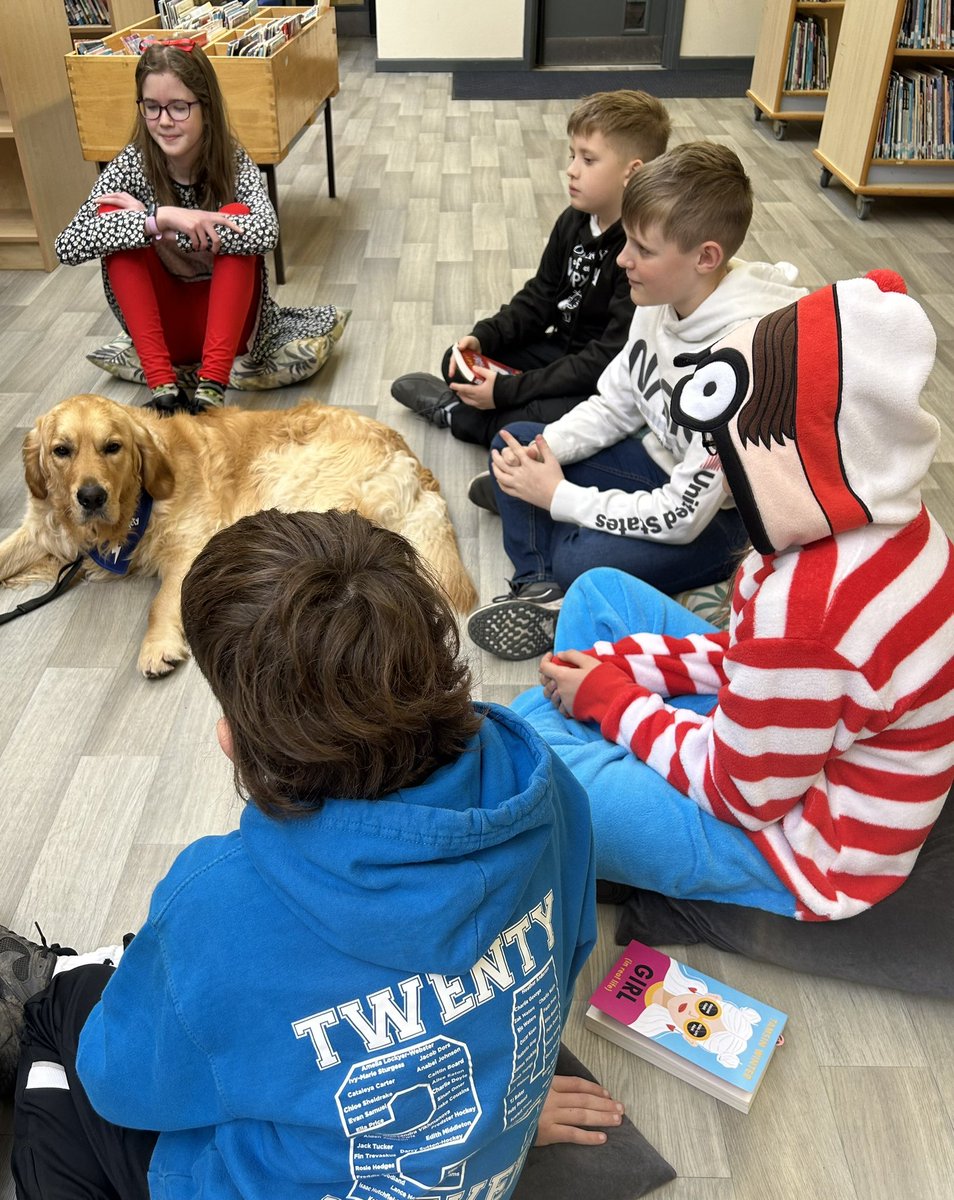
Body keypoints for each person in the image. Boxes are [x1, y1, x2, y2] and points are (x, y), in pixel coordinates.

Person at [1, 507, 620, 1200]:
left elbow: (121, 1090)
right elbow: (567, 956)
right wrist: (512, 1099)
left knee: (61, 1011)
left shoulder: (214, 908)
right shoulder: (553, 792)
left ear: (236, 738)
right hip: (474, 1153)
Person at [514, 270, 954, 923]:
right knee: (596, 595)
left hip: (796, 845)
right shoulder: (879, 521)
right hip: (782, 739)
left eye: (730, 447)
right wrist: (624, 675)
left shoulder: (811, 611)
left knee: (536, 768)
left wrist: (609, 699)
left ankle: (579, 769)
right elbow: (741, 656)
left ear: (798, 457)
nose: (713, 465)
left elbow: (738, 791)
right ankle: (589, 759)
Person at [465, 141, 807, 662]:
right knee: (518, 443)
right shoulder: (660, 297)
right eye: (628, 240)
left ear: (705, 257)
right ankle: (538, 585)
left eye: (643, 249)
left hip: (726, 519)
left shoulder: (740, 366)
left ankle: (550, 554)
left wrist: (560, 498)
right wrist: (545, 454)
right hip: (660, 463)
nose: (623, 259)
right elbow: (616, 403)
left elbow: (683, 516)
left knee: (584, 562)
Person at [55, 41, 340, 416]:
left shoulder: (233, 160)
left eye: (179, 107)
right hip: (165, 330)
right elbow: (67, 245)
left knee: (236, 217)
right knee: (112, 213)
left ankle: (210, 392)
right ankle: (163, 392)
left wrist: (173, 233)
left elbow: (266, 231)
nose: (165, 121)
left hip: (228, 330)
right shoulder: (131, 163)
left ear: (205, 107)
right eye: (151, 107)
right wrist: (158, 219)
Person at [390, 90, 671, 448]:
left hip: (597, 381)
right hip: (559, 352)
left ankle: (457, 414)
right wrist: (485, 337)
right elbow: (540, 298)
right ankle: (490, 416)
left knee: (527, 418)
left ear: (632, 173)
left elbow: (602, 360)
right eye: (572, 156)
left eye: (588, 159)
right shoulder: (573, 221)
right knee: (457, 359)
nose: (571, 170)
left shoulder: (637, 252)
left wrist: (508, 391)